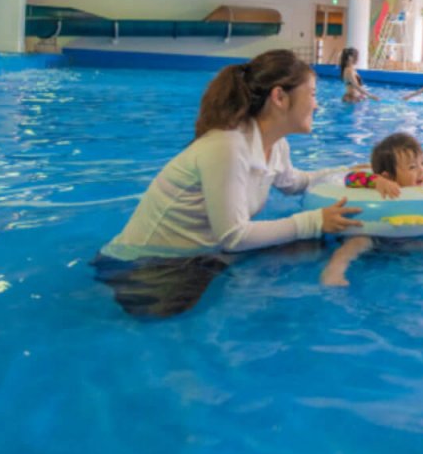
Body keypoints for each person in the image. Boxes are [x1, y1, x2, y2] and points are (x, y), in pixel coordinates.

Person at [94, 49, 362, 316]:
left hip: (197, 258)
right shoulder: (228, 145)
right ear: (279, 97)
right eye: (312, 94)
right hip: (139, 267)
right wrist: (315, 221)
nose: (316, 104)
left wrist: (352, 172)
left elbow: (296, 183)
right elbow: (233, 236)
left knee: (312, 246)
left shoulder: (275, 145)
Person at [321, 132, 423, 286]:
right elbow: (351, 178)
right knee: (355, 244)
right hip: (373, 233)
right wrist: (377, 181)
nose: (422, 170)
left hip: (405, 238)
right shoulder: (380, 185)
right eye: (412, 167)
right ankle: (334, 272)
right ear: (388, 176)